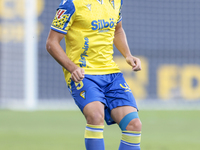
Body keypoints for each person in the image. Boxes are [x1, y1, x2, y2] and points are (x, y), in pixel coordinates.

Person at [46, 0, 142, 149]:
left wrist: (128, 55)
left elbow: (117, 30)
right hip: (85, 74)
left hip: (111, 74)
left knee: (134, 124)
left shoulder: (116, 1)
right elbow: (51, 43)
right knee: (96, 116)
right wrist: (73, 68)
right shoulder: (71, 4)